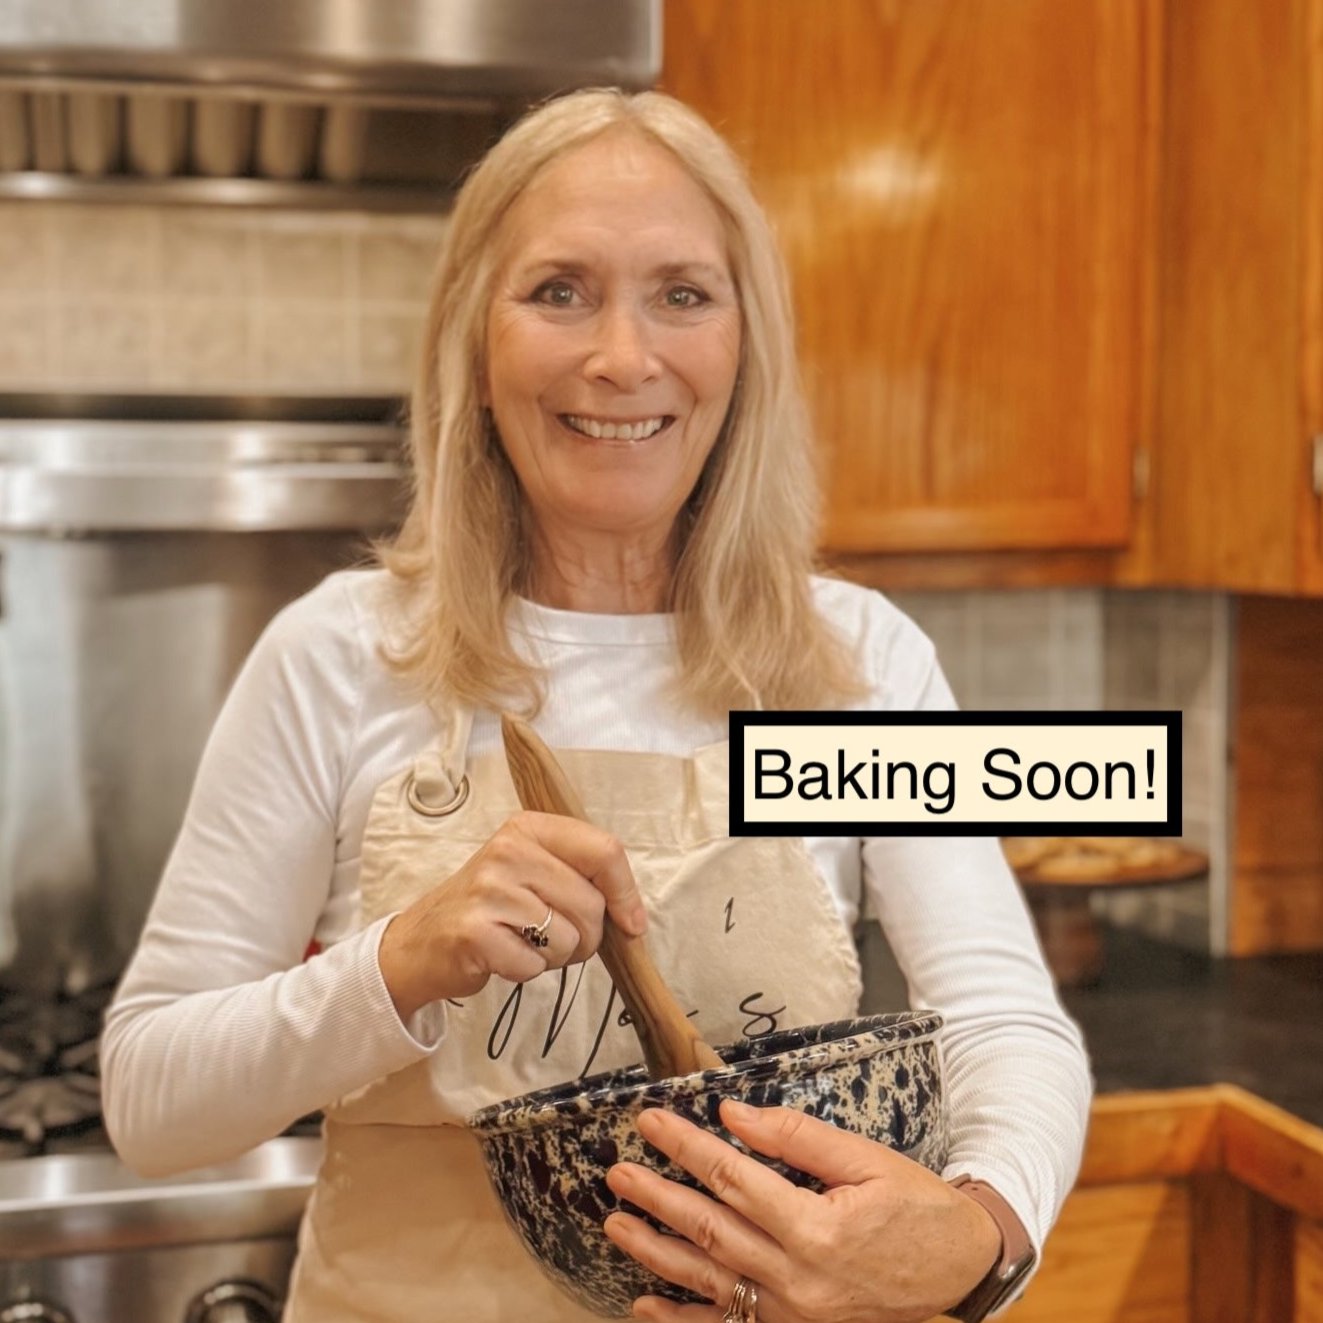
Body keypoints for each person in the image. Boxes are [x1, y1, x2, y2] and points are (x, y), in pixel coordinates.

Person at [101, 88, 1091, 1323]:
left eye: (683, 293)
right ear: (476, 337)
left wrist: (979, 1241)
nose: (623, 357)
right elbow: (148, 1099)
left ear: (746, 344)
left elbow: (1004, 1021)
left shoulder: (850, 669)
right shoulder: (344, 656)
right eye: (559, 290)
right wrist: (403, 964)